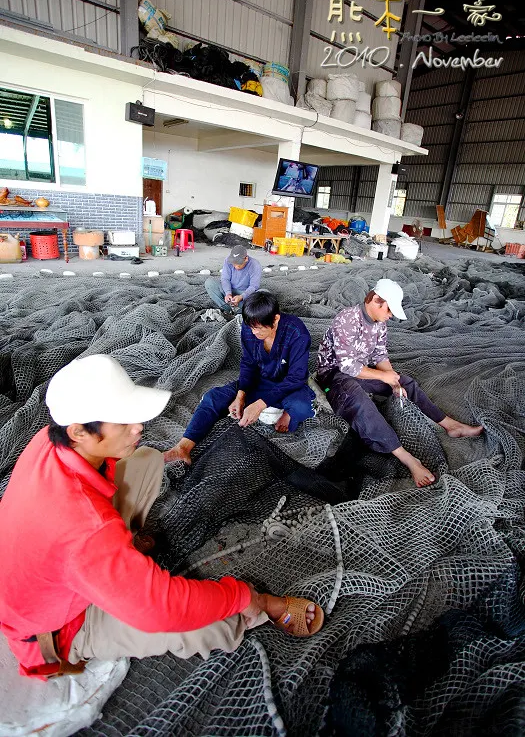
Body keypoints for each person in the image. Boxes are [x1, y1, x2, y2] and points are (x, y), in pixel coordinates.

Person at [0, 355, 323, 679]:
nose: (138, 426)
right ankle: (261, 609)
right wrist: (244, 596)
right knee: (197, 626)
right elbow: (163, 608)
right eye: (123, 421)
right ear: (79, 432)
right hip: (59, 628)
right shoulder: (87, 530)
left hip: (55, 568)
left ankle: (124, 557)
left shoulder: (49, 438)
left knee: (144, 460)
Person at [317, 279, 483, 488]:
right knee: (359, 401)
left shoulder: (380, 323)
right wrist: (382, 377)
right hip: (334, 376)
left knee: (406, 382)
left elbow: (380, 355)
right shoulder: (348, 318)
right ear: (376, 300)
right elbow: (347, 366)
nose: (391, 315)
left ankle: (450, 425)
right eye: (389, 309)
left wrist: (392, 379)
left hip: (360, 372)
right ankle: (407, 458)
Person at [166, 292, 316, 465]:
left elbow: (296, 377)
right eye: (251, 327)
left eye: (259, 328)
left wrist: (260, 405)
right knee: (213, 398)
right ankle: (183, 447)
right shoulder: (249, 327)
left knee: (301, 407)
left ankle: (287, 412)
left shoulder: (297, 332)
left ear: (275, 319)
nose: (254, 332)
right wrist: (241, 395)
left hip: (289, 386)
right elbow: (248, 363)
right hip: (261, 382)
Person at [205, 244, 262, 316]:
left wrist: (241, 297)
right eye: (234, 264)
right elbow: (225, 278)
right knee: (209, 283)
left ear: (246, 259)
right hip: (230, 291)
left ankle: (242, 310)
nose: (235, 266)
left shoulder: (255, 264)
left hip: (245, 295)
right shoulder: (228, 260)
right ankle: (227, 309)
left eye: (238, 264)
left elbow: (254, 286)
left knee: (263, 293)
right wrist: (228, 293)